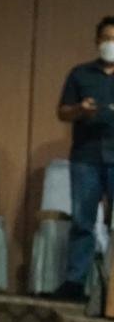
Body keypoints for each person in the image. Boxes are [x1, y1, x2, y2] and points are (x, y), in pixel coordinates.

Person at [51, 15, 114, 301]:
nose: (110, 44)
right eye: (106, 38)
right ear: (97, 41)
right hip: (86, 157)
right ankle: (75, 283)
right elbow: (62, 112)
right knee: (82, 221)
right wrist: (80, 110)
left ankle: (111, 290)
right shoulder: (80, 74)